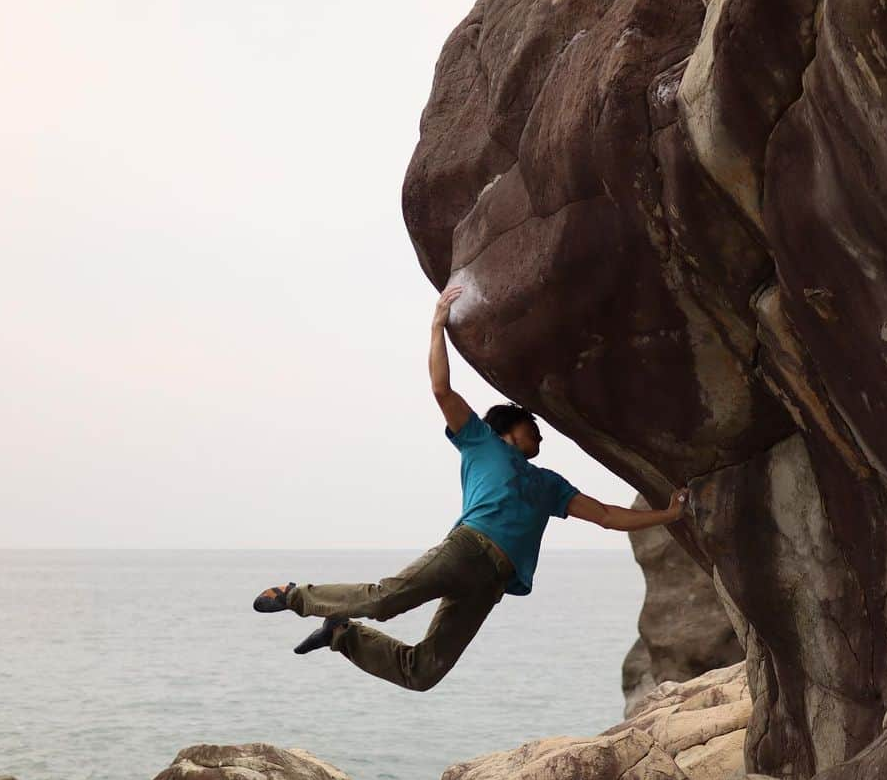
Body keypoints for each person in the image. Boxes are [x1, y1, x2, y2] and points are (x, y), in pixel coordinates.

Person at [252, 282, 690, 691]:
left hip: (493, 581)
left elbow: (609, 517)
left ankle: (341, 636)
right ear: (512, 427)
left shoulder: (551, 484)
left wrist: (669, 514)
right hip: (468, 548)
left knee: (423, 673)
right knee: (385, 600)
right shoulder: (480, 441)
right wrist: (437, 325)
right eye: (534, 427)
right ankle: (295, 596)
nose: (542, 436)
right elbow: (442, 390)